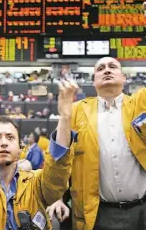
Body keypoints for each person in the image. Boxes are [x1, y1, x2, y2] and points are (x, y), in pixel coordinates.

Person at [0, 71, 78, 230]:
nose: (4, 142)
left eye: (10, 138)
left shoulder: (37, 183)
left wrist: (65, 116)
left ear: (21, 149)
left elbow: (58, 168)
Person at [60, 56, 146, 230]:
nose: (106, 70)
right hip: (98, 213)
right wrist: (57, 197)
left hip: (142, 210)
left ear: (123, 77)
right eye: (100, 69)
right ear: (94, 82)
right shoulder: (76, 111)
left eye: (112, 67)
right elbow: (60, 157)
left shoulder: (140, 104)